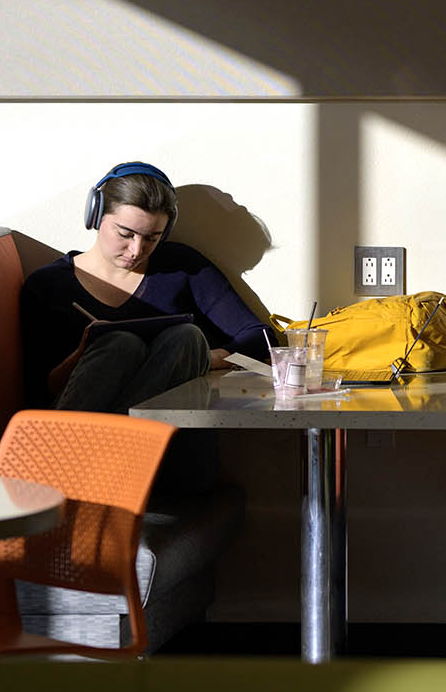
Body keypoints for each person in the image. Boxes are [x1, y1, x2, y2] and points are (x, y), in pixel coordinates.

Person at [19, 161, 274, 491]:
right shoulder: (48, 285)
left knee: (186, 337)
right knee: (119, 344)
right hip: (72, 441)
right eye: (125, 234)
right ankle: (101, 470)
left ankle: (99, 472)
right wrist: (83, 356)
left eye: (152, 238)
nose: (136, 250)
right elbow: (39, 390)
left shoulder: (182, 267)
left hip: (166, 458)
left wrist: (202, 358)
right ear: (95, 216)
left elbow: (263, 337)